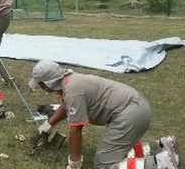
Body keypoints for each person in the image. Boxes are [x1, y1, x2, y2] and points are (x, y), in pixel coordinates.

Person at [29, 60, 179, 169]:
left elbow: (76, 129)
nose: (41, 87)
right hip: (137, 109)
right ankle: (161, 145)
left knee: (104, 164)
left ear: (49, 82)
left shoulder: (73, 90)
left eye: (41, 84)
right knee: (118, 151)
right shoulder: (71, 81)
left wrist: (74, 162)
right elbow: (65, 107)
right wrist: (48, 125)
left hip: (130, 115)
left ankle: (160, 163)